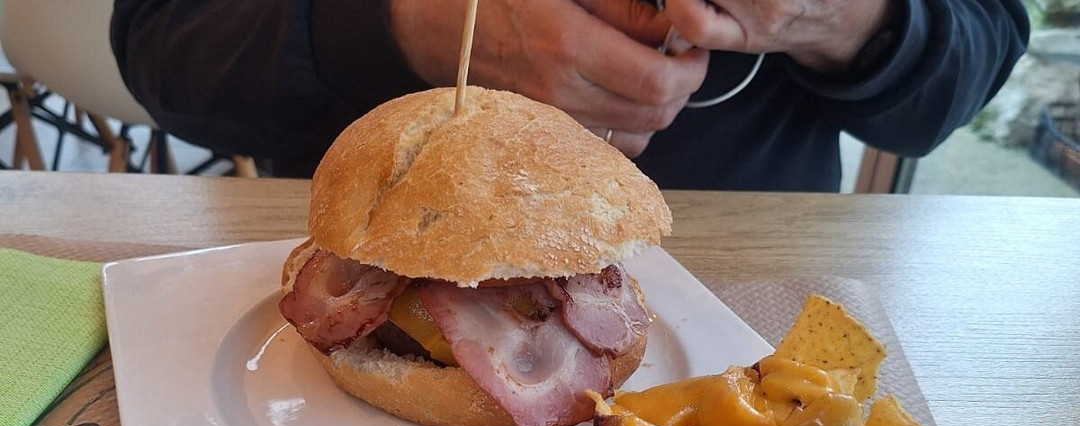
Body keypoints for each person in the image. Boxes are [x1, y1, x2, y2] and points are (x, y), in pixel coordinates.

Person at [110, 0, 1029, 190]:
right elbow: (162, 45)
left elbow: (963, 73)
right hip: (376, 254)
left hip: (756, 298)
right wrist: (409, 27)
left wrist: (852, 18)